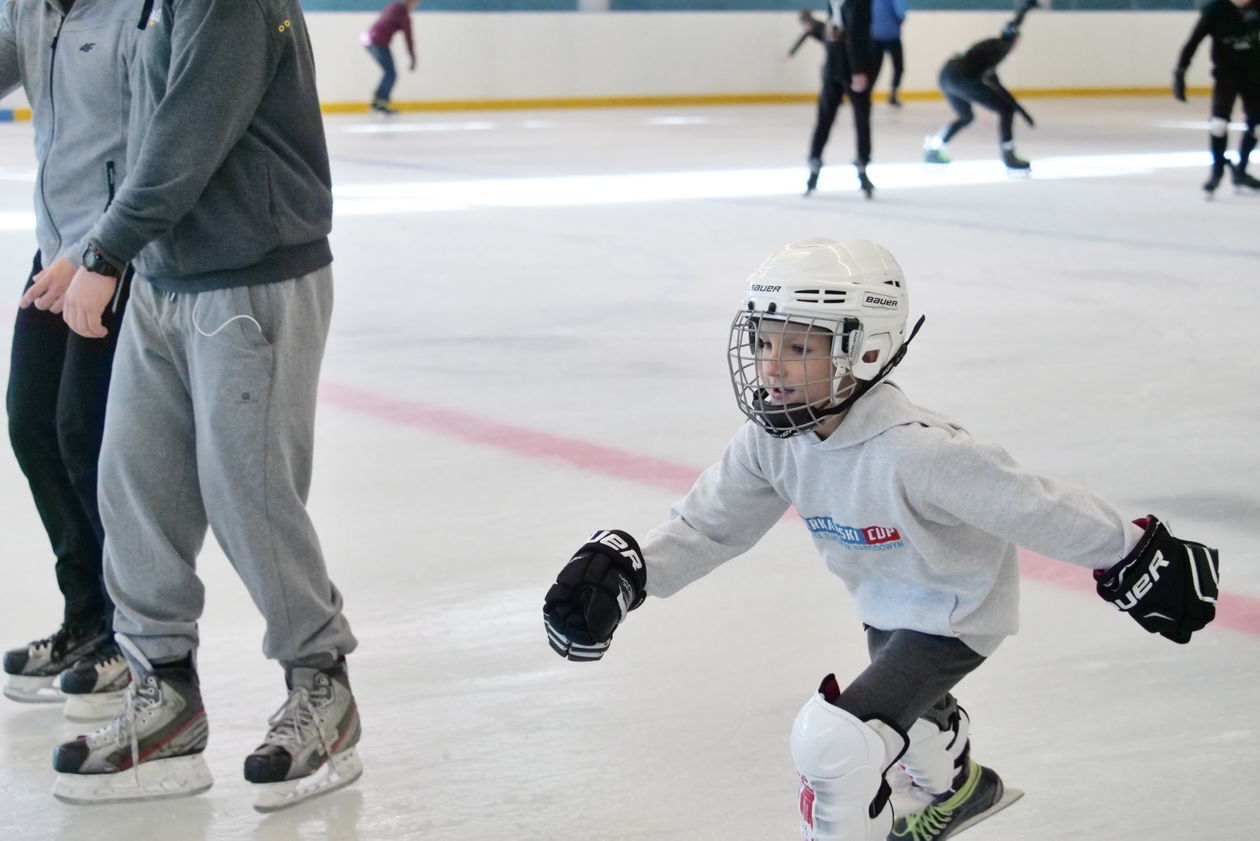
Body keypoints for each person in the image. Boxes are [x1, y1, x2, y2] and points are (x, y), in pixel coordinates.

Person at [543, 238, 1219, 841]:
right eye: (762, 341)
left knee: (838, 741)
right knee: (909, 719)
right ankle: (959, 787)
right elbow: (708, 524)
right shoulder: (771, 442)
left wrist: (1132, 551)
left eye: (799, 347)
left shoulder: (915, 452)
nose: (771, 366)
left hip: (955, 612)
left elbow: (1031, 505)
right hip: (883, 602)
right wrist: (633, 573)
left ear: (862, 349)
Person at [47, 0, 361, 812]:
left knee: (247, 492)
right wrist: (102, 247)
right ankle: (166, 698)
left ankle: (321, 687)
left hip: (250, 274)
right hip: (167, 276)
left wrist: (103, 251)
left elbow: (188, 134)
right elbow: (139, 133)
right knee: (134, 484)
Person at [0, 0, 138, 722]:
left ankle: (130, 632)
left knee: (85, 435)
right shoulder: (27, 9)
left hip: (117, 254)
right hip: (52, 248)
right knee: (32, 425)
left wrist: (99, 249)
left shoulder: (134, 13)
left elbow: (161, 136)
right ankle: (85, 615)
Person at [923, 0, 1038, 173]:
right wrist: (1026, 8)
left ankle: (934, 148)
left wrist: (1022, 111)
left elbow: (1000, 89)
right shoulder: (1001, 46)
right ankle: (1008, 154)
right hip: (960, 76)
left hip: (947, 75)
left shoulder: (990, 55)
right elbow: (1012, 25)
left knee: (966, 117)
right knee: (1005, 110)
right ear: (1014, 40)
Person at [1172, 0, 1260, 196]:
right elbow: (1194, 41)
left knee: (1257, 126)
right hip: (1226, 76)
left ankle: (1241, 170)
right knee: (1218, 124)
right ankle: (1217, 171)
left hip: (1254, 76)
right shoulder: (1216, 10)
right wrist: (1180, 72)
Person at [803, 0, 876, 198]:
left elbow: (849, 34)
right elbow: (847, 34)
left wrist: (858, 69)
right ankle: (819, 162)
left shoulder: (848, 4)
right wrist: (858, 70)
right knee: (844, 119)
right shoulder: (843, 4)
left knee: (836, 119)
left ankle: (856, 163)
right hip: (840, 69)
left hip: (842, 69)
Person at [361, 0, 420, 115]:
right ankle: (381, 101)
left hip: (369, 39)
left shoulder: (393, 6)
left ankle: (378, 101)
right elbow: (408, 39)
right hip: (378, 42)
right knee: (391, 73)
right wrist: (412, 57)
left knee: (389, 73)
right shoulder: (404, 16)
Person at [870, 0, 907, 107]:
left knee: (874, 68)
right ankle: (893, 94)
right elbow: (900, 13)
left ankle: (866, 94)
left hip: (875, 34)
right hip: (892, 35)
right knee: (898, 67)